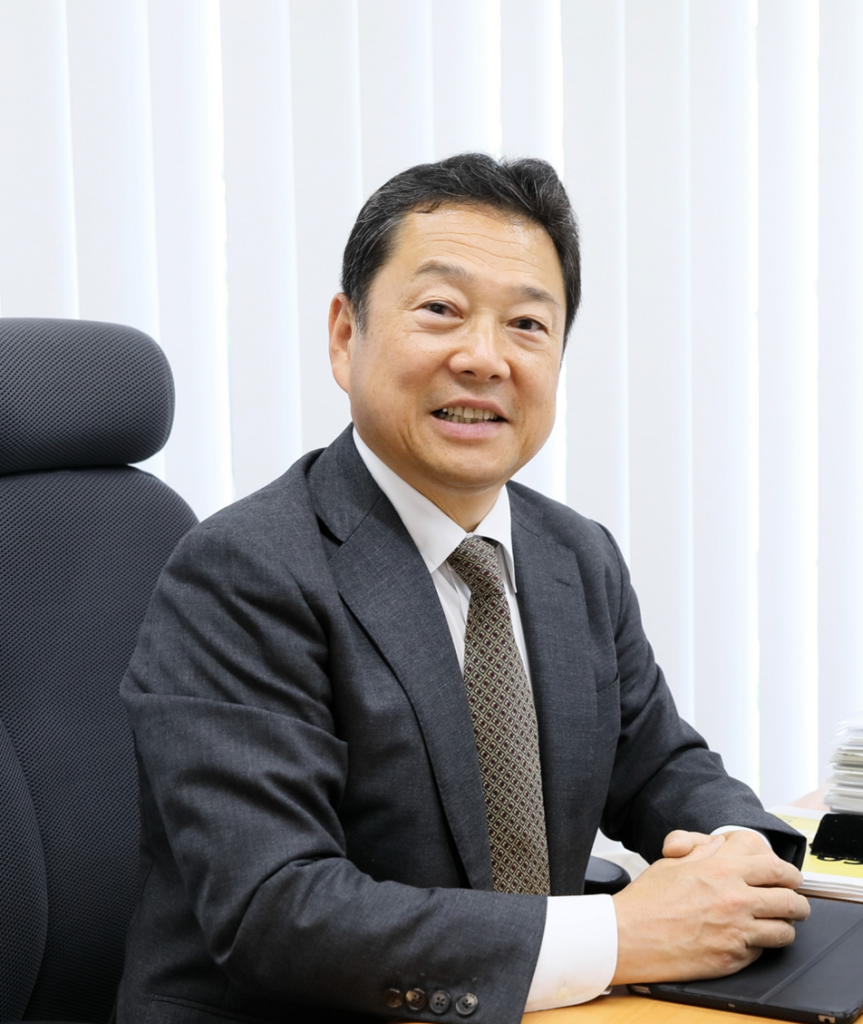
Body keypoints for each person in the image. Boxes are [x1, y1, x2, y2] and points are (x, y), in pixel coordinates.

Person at [117, 154, 808, 1024]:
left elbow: (659, 764)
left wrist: (739, 853)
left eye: (526, 324)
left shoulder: (574, 555)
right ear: (345, 335)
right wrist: (621, 934)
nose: (484, 359)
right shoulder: (241, 571)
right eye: (440, 310)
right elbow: (278, 910)